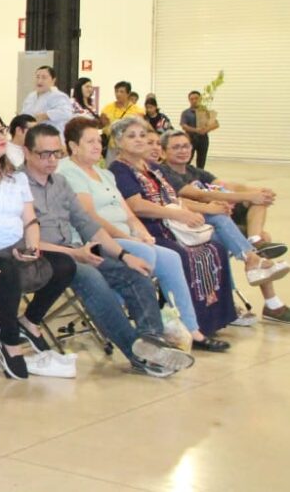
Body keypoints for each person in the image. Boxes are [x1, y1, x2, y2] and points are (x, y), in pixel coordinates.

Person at [23, 123, 199, 374]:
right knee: (93, 280)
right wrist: (76, 253)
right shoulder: (17, 185)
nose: (52, 160)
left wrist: (124, 255)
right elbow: (20, 241)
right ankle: (139, 357)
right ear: (27, 152)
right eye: (44, 154)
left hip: (76, 251)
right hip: (42, 255)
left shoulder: (60, 182)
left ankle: (152, 342)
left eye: (56, 153)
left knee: (137, 274)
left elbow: (87, 223)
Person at [57, 117, 231, 350]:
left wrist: (140, 233)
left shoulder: (104, 174)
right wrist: (129, 239)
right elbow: (89, 218)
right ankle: (132, 327)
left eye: (99, 141)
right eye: (90, 142)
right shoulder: (69, 172)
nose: (97, 146)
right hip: (94, 241)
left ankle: (192, 330)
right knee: (144, 254)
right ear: (73, 146)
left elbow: (129, 213)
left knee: (170, 257)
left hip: (125, 237)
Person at [0, 113, 75, 379]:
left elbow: (30, 220)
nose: (0, 137)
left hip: (14, 247)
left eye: (2, 131)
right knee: (6, 272)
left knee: (65, 265)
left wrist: (32, 248)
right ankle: (10, 342)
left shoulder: (15, 177)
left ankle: (29, 320)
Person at [107, 116, 236, 336]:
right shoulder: (119, 169)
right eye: (131, 136)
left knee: (216, 248)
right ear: (118, 142)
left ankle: (215, 318)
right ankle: (188, 324)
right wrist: (180, 215)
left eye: (142, 135)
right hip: (150, 228)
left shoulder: (153, 167)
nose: (139, 140)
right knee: (182, 255)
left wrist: (198, 209)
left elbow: (174, 197)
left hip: (172, 223)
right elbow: (136, 206)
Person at [158, 131, 290, 323]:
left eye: (186, 146)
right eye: (176, 147)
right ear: (163, 151)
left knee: (260, 217)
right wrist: (243, 197)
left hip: (216, 224)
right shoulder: (165, 174)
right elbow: (198, 196)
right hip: (194, 229)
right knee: (222, 223)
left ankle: (255, 242)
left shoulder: (196, 172)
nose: (183, 151)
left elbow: (228, 185)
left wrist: (256, 192)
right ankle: (264, 289)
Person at [19, 65, 73, 134]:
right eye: (37, 77)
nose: (40, 81)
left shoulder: (58, 96)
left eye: (44, 78)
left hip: (51, 135)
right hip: (32, 135)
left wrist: (46, 115)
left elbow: (66, 113)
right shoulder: (31, 96)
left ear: (53, 80)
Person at [179, 89, 219, 169]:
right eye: (192, 99)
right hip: (191, 139)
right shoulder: (186, 113)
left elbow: (216, 124)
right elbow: (184, 126)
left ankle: (200, 178)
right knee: (187, 160)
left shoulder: (205, 111)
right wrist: (196, 130)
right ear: (189, 100)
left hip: (203, 139)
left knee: (201, 161)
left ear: (200, 99)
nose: (194, 100)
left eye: (196, 98)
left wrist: (207, 129)